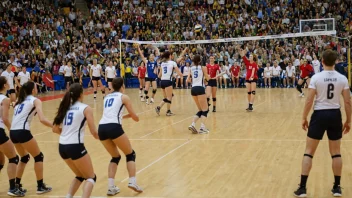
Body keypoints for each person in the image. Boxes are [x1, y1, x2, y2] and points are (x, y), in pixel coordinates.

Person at [294, 50, 351, 197]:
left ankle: (302, 188)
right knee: (336, 153)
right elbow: (347, 102)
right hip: (334, 114)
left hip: (319, 114)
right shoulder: (342, 78)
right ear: (335, 61)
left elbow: (309, 100)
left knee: (309, 152)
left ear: (322, 61)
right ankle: (337, 187)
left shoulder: (316, 77)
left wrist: (304, 117)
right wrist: (348, 120)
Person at [53, 83, 99, 198]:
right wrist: (103, 138)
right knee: (91, 177)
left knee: (79, 175)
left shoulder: (65, 107)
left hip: (62, 146)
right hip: (75, 146)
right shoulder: (85, 108)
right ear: (81, 94)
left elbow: (54, 128)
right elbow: (93, 131)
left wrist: (66, 133)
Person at [98, 78, 143, 195]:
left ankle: (111, 187)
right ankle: (132, 181)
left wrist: (123, 117)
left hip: (102, 128)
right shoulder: (124, 97)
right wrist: (136, 117)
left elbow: (113, 113)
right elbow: (134, 116)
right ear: (122, 86)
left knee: (115, 157)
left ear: (112, 86)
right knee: (130, 154)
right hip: (114, 127)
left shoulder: (107, 97)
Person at [10, 81, 53, 194]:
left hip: (13, 132)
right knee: (39, 157)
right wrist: (55, 126)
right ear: (33, 90)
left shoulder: (19, 101)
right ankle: (40, 186)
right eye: (36, 86)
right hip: (22, 131)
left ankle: (16, 185)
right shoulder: (35, 100)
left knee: (24, 158)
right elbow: (42, 119)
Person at [0, 76, 24, 196]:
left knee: (0, 161)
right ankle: (12, 188)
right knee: (13, 158)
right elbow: (4, 118)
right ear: (5, 85)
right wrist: (12, 129)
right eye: (7, 82)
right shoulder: (5, 99)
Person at [155, 50, 185, 116]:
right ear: (169, 56)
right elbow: (178, 72)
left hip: (162, 81)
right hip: (168, 81)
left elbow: (159, 75)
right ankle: (165, 110)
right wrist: (182, 76)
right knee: (169, 97)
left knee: (167, 97)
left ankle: (160, 108)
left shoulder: (162, 63)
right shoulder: (173, 63)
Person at [187, 55, 210, 134]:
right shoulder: (203, 68)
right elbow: (207, 78)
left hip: (193, 89)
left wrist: (195, 81)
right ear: (200, 60)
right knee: (205, 109)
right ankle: (202, 128)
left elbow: (188, 80)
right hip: (200, 88)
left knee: (200, 110)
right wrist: (207, 79)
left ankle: (192, 124)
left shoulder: (191, 68)